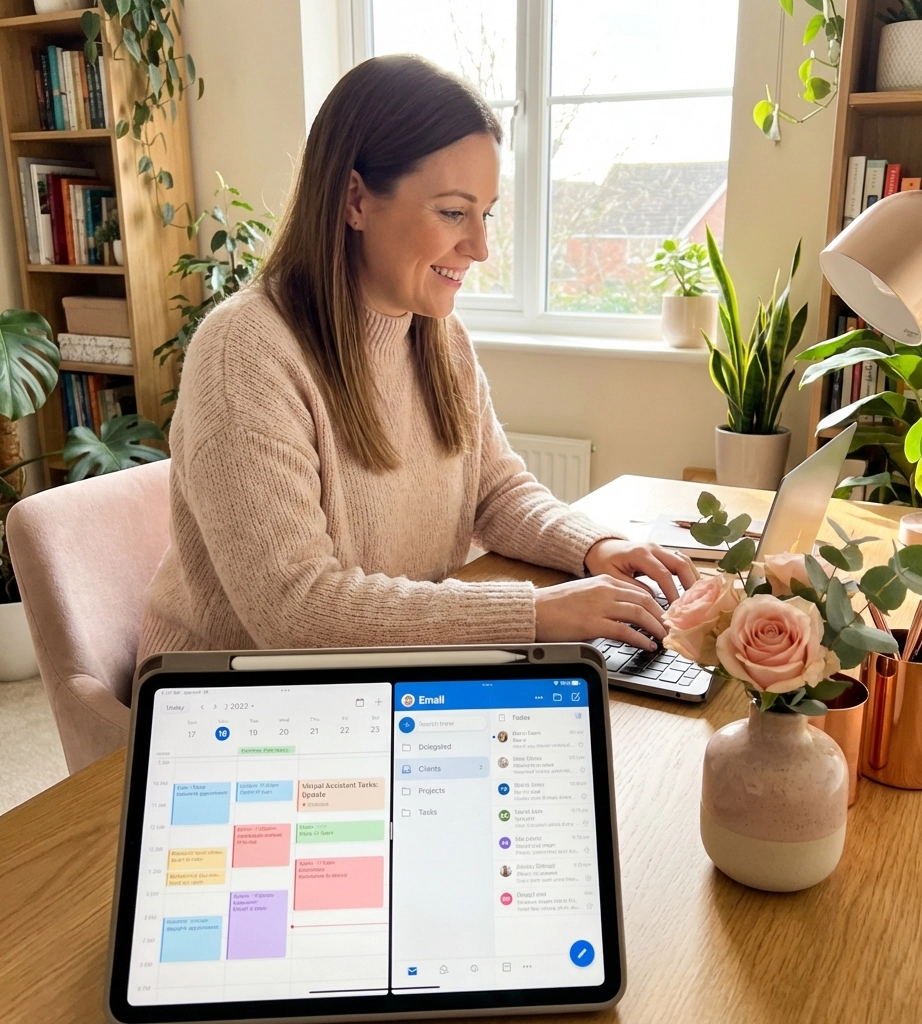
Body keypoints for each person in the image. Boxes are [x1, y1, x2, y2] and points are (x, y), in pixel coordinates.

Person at [137, 55, 697, 664]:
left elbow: (494, 489)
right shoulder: (244, 352)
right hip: (238, 704)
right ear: (354, 199)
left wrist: (593, 546)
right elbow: (295, 611)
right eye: (453, 212)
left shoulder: (439, 335)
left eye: (485, 214)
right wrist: (533, 614)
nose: (480, 248)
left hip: (386, 673)